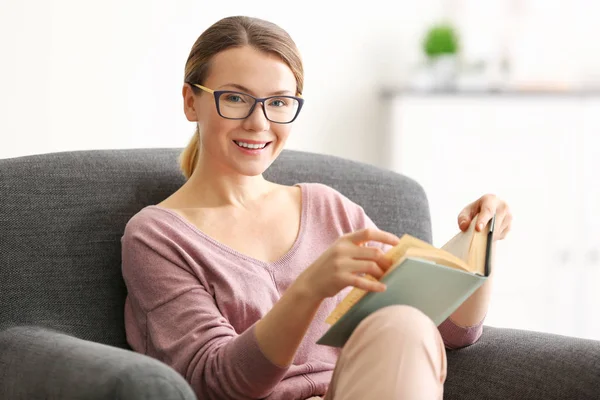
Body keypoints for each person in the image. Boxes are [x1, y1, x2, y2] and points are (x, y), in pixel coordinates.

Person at [121, 15, 512, 400]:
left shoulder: (328, 209)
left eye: (278, 102)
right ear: (192, 102)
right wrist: (309, 288)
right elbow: (218, 381)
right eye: (236, 98)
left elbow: (452, 332)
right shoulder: (158, 236)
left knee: (405, 323)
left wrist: (481, 239)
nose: (259, 123)